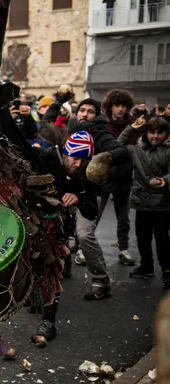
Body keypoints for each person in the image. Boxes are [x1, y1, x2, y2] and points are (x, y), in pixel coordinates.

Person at [31, 131, 100, 344]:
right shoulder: (46, 157)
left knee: (53, 270)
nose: (78, 164)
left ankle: (48, 321)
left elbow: (92, 210)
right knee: (33, 266)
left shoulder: (84, 175)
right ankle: (36, 297)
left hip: (57, 230)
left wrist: (79, 198)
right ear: (65, 153)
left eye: (83, 159)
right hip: (32, 219)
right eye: (75, 158)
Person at [66, 98, 131, 299]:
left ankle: (101, 281)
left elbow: (122, 152)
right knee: (57, 231)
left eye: (90, 111)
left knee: (85, 235)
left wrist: (101, 158)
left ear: (97, 115)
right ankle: (62, 269)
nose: (85, 114)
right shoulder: (71, 128)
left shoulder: (98, 131)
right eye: (82, 110)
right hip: (64, 191)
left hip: (87, 193)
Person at [119, 116, 170, 288]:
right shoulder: (136, 150)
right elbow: (117, 145)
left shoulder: (168, 150)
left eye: (159, 132)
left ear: (165, 134)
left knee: (163, 241)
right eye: (151, 132)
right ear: (146, 133)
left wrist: (165, 180)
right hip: (142, 202)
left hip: (163, 204)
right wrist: (131, 128)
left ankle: (167, 271)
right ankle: (146, 266)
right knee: (143, 238)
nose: (155, 136)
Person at [99, 90, 137, 265]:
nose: (120, 109)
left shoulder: (134, 125)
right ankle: (81, 249)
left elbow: (136, 150)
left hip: (123, 176)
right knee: (93, 215)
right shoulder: (103, 124)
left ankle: (123, 249)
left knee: (123, 218)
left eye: (124, 106)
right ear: (110, 106)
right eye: (117, 105)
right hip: (104, 175)